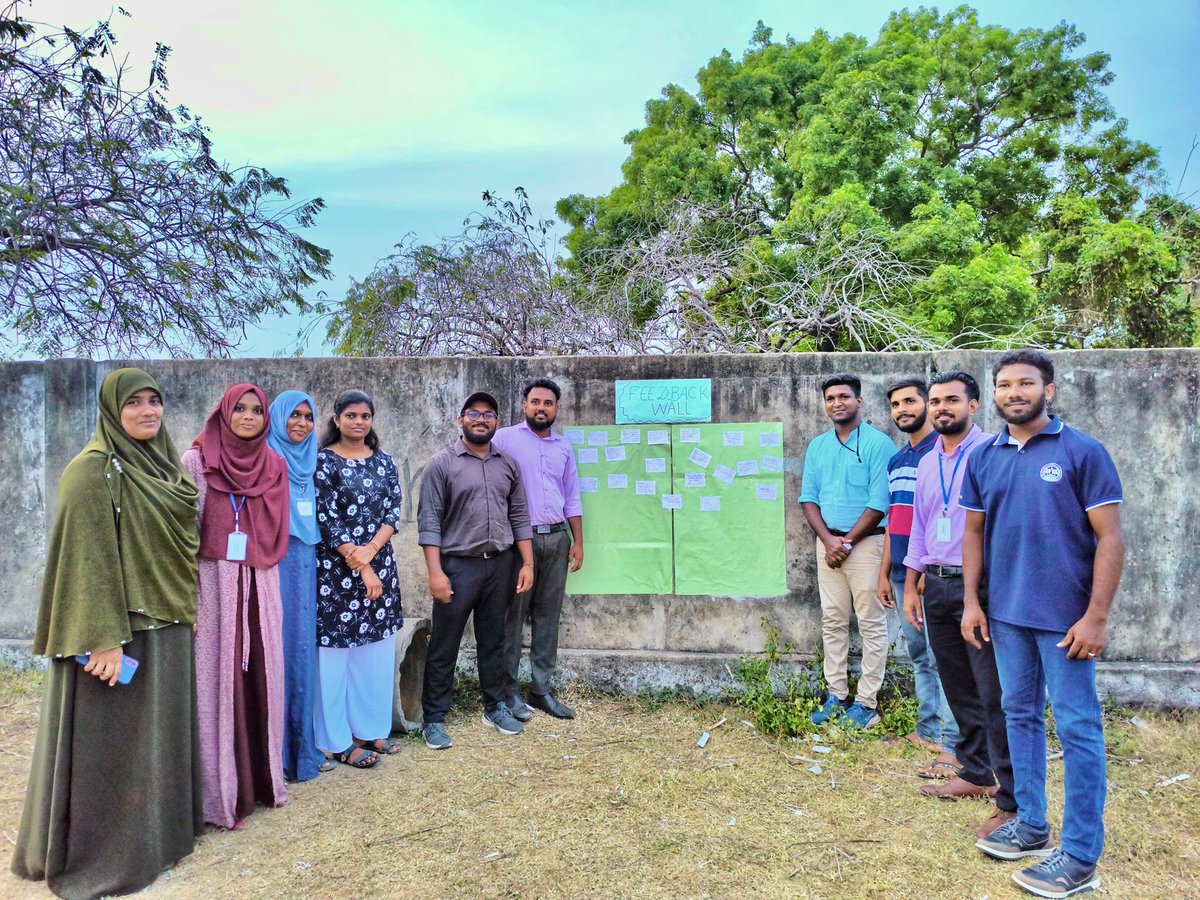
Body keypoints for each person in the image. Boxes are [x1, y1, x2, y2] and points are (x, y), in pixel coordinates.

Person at [12, 368, 204, 899]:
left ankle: (155, 839)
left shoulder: (162, 467)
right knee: (110, 749)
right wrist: (104, 638)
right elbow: (85, 560)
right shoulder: (92, 472)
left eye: (155, 402)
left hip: (165, 623)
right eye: (134, 403)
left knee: (152, 744)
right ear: (110, 410)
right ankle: (105, 853)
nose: (147, 412)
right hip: (120, 634)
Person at [963, 350, 1124, 898]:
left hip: (1067, 622)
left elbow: (1111, 538)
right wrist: (972, 601)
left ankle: (1080, 856)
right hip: (1006, 615)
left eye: (1026, 383)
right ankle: (1031, 824)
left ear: (1048, 390)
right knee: (1019, 716)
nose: (1015, 392)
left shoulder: (1083, 452)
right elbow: (973, 534)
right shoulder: (984, 457)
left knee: (1078, 728)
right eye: (1005, 384)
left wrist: (1096, 617)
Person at [902, 372, 1015, 840]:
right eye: (936, 401)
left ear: (974, 405)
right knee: (958, 683)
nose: (941, 408)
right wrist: (912, 584)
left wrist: (977, 594)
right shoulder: (928, 460)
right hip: (938, 585)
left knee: (993, 690)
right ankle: (976, 771)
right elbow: (921, 527)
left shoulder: (993, 453)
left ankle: (1011, 795)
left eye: (952, 400)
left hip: (982, 588)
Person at [183, 383, 290, 828]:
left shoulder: (274, 464)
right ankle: (220, 792)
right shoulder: (196, 462)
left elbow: (276, 527)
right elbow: (184, 533)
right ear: (224, 413)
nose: (249, 417)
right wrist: (187, 597)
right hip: (214, 584)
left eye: (257, 410)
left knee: (262, 679)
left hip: (260, 581)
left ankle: (263, 783)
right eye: (240, 409)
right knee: (216, 679)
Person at [417, 390, 535, 749]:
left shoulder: (507, 464)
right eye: (473, 413)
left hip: (500, 564)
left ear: (496, 423)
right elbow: (429, 522)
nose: (481, 419)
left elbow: (518, 515)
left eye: (488, 415)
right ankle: (434, 718)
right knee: (444, 644)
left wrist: (527, 562)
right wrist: (436, 573)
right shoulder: (441, 464)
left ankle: (494, 706)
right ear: (460, 420)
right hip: (457, 566)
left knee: (493, 639)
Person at [313, 389, 404, 769]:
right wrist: (361, 562)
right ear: (336, 419)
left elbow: (393, 511)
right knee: (336, 660)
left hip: (380, 566)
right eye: (351, 415)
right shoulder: (323, 463)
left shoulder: (383, 462)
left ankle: (369, 730)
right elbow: (327, 519)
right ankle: (335, 741)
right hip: (336, 573)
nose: (358, 422)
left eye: (365, 416)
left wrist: (372, 553)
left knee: (375, 655)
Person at [798, 373, 895, 729]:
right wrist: (828, 541)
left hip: (867, 546)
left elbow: (880, 502)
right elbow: (808, 497)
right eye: (831, 398)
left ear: (859, 401)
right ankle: (836, 695)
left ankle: (867, 703)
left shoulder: (878, 443)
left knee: (870, 623)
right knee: (833, 620)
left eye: (844, 397)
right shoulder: (817, 446)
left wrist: (848, 541)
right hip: (829, 546)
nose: (837, 403)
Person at [876, 377, 960, 775]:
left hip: (927, 573)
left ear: (928, 404)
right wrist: (885, 574)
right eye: (895, 404)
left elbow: (938, 519)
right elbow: (895, 521)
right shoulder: (897, 460)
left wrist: (924, 568)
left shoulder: (941, 453)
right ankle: (927, 728)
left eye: (910, 401)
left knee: (946, 657)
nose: (902, 409)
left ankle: (952, 738)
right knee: (919, 655)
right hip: (898, 572)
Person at [491, 378, 584, 720]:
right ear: (524, 406)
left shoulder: (563, 447)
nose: (541, 408)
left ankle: (541, 689)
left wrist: (578, 543)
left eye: (548, 403)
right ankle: (508, 691)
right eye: (535, 402)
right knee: (512, 617)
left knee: (548, 616)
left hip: (558, 539)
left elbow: (572, 495)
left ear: (556, 409)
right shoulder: (504, 439)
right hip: (519, 541)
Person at [266, 390, 331, 781]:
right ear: (278, 419)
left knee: (302, 652)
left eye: (308, 417)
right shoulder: (265, 460)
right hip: (277, 563)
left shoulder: (310, 462)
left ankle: (301, 747)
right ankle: (277, 753)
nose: (302, 424)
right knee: (281, 651)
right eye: (294, 416)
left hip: (307, 563)